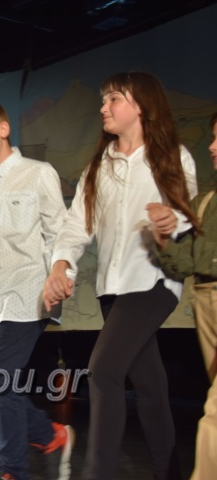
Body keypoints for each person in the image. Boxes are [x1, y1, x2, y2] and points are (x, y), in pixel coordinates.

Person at [43, 72, 198, 480]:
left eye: (113, 98)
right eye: (103, 99)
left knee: (103, 371)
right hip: (111, 288)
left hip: (153, 282)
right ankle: (170, 473)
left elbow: (186, 213)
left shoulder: (172, 156)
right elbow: (77, 225)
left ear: (141, 105)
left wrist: (170, 220)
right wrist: (61, 264)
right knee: (150, 386)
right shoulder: (99, 166)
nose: (103, 107)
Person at [0, 98, 72, 480]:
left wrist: (60, 273)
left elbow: (59, 232)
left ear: (3, 128)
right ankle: (47, 433)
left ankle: (12, 469)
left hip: (27, 295)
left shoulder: (38, 173)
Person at [145, 112, 217, 479]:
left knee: (215, 411)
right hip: (206, 300)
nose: (212, 147)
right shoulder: (206, 203)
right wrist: (162, 238)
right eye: (213, 137)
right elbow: (184, 264)